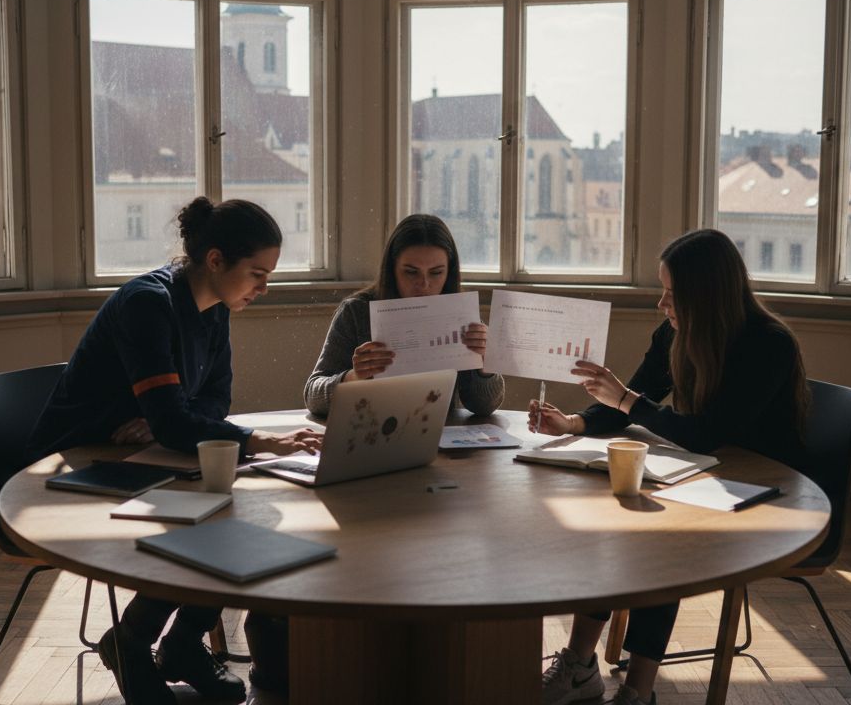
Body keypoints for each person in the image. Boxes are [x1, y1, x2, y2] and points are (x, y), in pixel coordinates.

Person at [27, 196, 322, 705]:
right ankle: (134, 641)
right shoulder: (149, 303)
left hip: (140, 458)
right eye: (257, 273)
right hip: (75, 466)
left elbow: (210, 403)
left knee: (233, 515)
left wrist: (171, 420)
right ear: (215, 261)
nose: (264, 288)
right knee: (216, 523)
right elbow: (178, 418)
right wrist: (252, 439)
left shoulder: (214, 309)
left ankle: (180, 644)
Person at [529, 228, 809, 705]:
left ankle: (638, 691)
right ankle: (579, 667)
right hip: (703, 479)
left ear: (708, 297)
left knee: (659, 542)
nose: (662, 304)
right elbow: (629, 402)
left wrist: (625, 399)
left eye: (672, 294)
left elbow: (706, 431)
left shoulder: (768, 344)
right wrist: (573, 422)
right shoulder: (676, 333)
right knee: (612, 523)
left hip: (763, 500)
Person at [303, 213, 505, 417]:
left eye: (436, 273)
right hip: (369, 434)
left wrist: (486, 365)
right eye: (411, 272)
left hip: (439, 437)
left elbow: (484, 406)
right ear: (392, 269)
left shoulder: (461, 316)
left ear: (449, 272)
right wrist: (355, 377)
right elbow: (313, 396)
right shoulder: (356, 312)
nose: (424, 284)